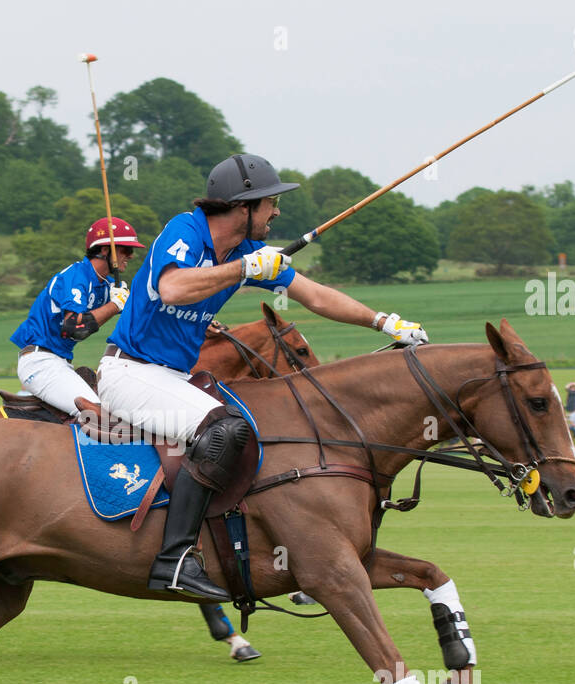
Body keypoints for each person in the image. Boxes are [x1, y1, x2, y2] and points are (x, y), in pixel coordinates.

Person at [97, 154, 428, 600]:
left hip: (172, 378)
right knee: (223, 430)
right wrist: (244, 270)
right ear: (243, 206)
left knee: (254, 428)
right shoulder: (186, 231)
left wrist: (385, 322)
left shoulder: (248, 252)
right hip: (129, 373)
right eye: (270, 203)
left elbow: (315, 296)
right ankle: (174, 560)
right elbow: (173, 287)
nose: (276, 212)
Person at [9, 217, 144, 414]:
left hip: (60, 363)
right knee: (98, 416)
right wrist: (115, 305)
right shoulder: (76, 277)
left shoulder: (105, 286)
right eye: (126, 249)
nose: (131, 256)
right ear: (105, 250)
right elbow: (74, 328)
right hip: (40, 363)